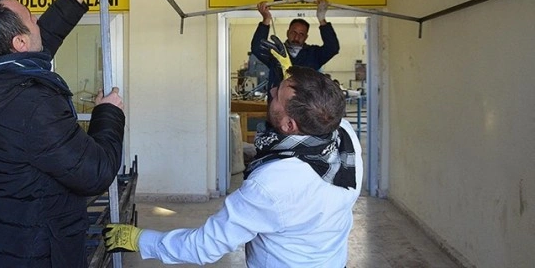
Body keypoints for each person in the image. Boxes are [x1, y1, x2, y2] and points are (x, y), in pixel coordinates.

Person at [0, 0, 125, 268]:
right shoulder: (33, 107)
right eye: (31, 17)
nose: (37, 20)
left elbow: (37, 45)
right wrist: (108, 113)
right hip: (39, 253)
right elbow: (95, 173)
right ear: (18, 41)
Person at [103, 66, 362, 267]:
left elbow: (205, 245)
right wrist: (292, 77)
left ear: (289, 126)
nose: (271, 92)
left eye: (278, 96)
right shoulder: (343, 135)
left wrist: (141, 240)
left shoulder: (273, 184)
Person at [250, 0, 340, 100]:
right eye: (294, 32)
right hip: (279, 107)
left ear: (306, 37)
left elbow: (333, 48)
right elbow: (257, 48)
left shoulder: (314, 54)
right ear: (288, 32)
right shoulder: (277, 52)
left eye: (301, 34)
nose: (297, 37)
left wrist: (322, 19)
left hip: (305, 108)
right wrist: (266, 20)